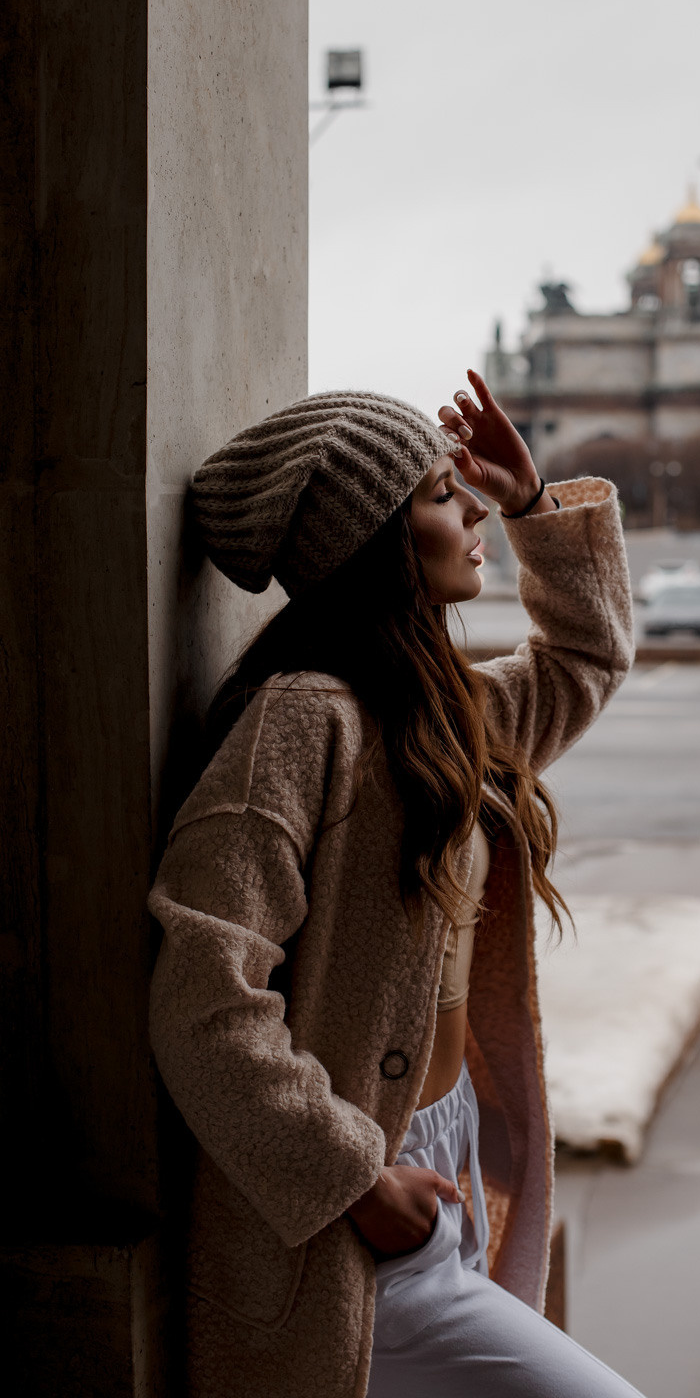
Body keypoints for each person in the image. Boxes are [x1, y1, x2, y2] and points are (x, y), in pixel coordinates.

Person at [148, 372, 644, 1398]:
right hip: (347, 1206)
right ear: (371, 542)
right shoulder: (299, 723)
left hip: (442, 1151)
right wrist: (353, 1179)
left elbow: (586, 656)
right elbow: (203, 1000)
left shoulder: (441, 715)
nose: (470, 514)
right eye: (440, 496)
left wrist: (529, 503)